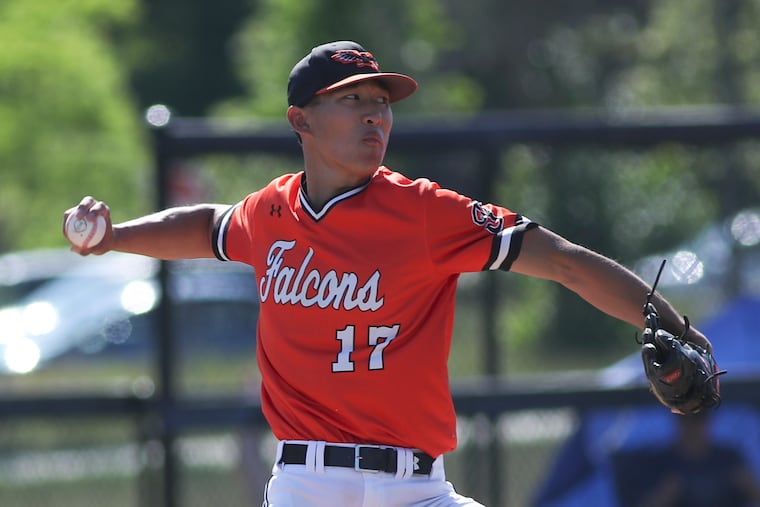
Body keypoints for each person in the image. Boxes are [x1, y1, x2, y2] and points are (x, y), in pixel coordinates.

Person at [63, 40, 713, 507]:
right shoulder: (272, 213)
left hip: (416, 486)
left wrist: (678, 325)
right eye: (352, 100)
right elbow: (207, 227)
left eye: (381, 100)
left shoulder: (425, 211)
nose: (375, 114)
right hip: (306, 486)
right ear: (301, 121)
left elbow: (564, 261)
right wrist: (116, 235)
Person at [613, 413, 760, 507]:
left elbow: (754, 496)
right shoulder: (661, 461)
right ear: (678, 423)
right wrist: (665, 495)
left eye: (699, 420)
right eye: (687, 420)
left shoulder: (728, 457)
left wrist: (747, 485)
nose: (693, 428)